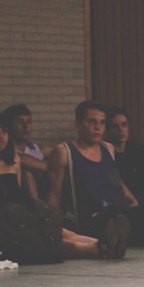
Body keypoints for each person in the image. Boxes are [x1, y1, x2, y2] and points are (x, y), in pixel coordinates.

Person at [0, 109, 111, 259]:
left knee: (58, 231)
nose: (1, 136)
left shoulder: (13, 160)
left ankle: (106, 242)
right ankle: (97, 248)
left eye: (5, 131)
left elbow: (17, 195)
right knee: (46, 239)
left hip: (18, 217)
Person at [46, 101, 134, 253]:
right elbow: (54, 193)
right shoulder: (64, 151)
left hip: (119, 210)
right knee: (131, 219)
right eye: (91, 121)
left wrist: (132, 199)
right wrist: (52, 226)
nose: (97, 127)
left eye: (102, 122)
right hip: (91, 218)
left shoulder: (108, 148)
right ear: (78, 124)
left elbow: (115, 180)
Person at [3, 104, 52, 200]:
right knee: (26, 173)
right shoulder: (4, 149)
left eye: (28, 122)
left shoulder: (36, 148)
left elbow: (63, 153)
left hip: (45, 196)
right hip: (17, 200)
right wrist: (52, 168)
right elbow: (22, 159)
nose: (26, 127)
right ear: (9, 126)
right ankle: (37, 207)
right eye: (20, 122)